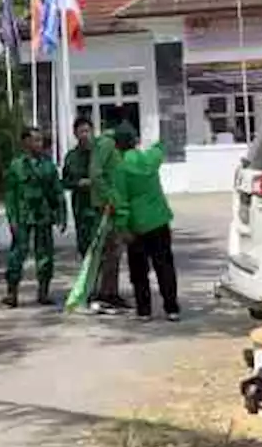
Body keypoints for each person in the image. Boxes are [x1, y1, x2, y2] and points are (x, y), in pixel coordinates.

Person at [113, 131, 180, 321]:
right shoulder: (150, 159)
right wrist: (154, 143)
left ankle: (144, 310)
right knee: (165, 266)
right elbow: (160, 148)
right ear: (135, 142)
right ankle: (171, 308)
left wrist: (122, 226)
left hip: (136, 225)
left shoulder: (120, 168)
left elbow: (121, 200)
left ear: (117, 146)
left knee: (139, 269)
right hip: (159, 220)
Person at [3, 126, 66, 307]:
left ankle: (43, 292)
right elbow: (10, 195)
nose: (40, 144)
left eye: (40, 140)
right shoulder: (16, 166)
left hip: (43, 215)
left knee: (45, 254)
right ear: (26, 142)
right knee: (17, 253)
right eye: (35, 140)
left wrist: (61, 214)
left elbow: (57, 192)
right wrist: (12, 218)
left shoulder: (48, 165)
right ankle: (12, 293)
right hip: (23, 216)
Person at [89, 113, 134, 313]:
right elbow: (95, 173)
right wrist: (109, 197)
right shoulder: (106, 144)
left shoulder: (114, 144)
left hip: (115, 207)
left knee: (114, 253)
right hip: (106, 207)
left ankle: (111, 293)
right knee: (105, 253)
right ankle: (99, 294)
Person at [61, 117, 98, 258]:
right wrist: (77, 183)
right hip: (81, 208)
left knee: (101, 247)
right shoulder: (71, 157)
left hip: (100, 207)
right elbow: (65, 181)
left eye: (87, 131)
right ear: (75, 134)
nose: (85, 135)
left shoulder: (100, 154)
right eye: (81, 131)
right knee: (84, 246)